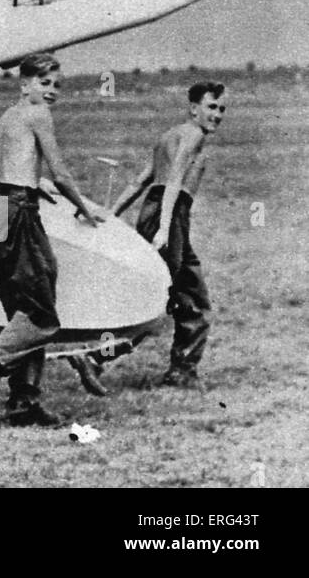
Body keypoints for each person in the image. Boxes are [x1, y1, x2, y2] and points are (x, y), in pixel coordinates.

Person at [0, 53, 103, 429]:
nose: (51, 91)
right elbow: (61, 169)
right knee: (41, 312)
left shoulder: (6, 118)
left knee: (21, 310)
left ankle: (25, 402)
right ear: (25, 84)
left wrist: (31, 179)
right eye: (44, 82)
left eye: (56, 85)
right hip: (19, 211)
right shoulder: (38, 114)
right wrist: (83, 208)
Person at [69, 81, 225, 394]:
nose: (217, 115)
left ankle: (179, 370)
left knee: (192, 299)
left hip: (160, 213)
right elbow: (174, 183)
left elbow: (140, 181)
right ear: (193, 107)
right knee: (165, 299)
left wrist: (110, 213)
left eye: (221, 109)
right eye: (211, 107)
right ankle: (98, 356)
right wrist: (166, 229)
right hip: (169, 215)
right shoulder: (192, 135)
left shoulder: (169, 135)